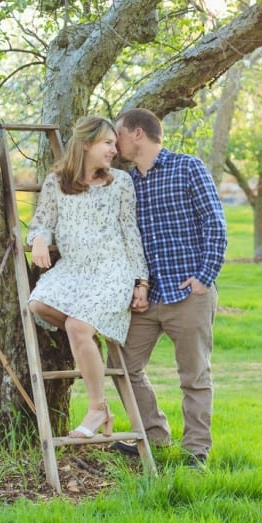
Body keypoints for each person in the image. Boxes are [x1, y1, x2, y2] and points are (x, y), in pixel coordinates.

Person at [108, 107, 228, 468]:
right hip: (147, 298)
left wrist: (204, 278)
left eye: (120, 135)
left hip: (188, 295)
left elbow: (215, 224)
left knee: (194, 376)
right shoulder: (127, 181)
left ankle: (195, 453)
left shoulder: (187, 167)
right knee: (121, 364)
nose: (115, 144)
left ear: (138, 134)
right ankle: (154, 436)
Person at [27, 115, 149, 439]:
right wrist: (38, 239)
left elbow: (130, 232)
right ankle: (87, 337)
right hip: (73, 269)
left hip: (111, 270)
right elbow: (41, 222)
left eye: (114, 143)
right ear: (85, 145)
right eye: (107, 143)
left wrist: (141, 281)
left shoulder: (120, 182)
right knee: (38, 304)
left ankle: (97, 409)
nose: (114, 149)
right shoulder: (56, 182)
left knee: (77, 326)